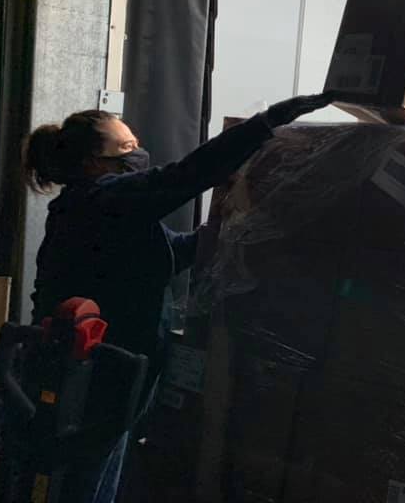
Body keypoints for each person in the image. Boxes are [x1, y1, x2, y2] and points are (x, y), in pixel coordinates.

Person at [20, 93, 334, 503]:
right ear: (93, 164)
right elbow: (188, 175)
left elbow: (174, 252)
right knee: (86, 480)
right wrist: (269, 121)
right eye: (128, 148)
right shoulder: (103, 200)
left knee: (98, 473)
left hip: (110, 371)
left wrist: (240, 221)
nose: (139, 154)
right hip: (95, 375)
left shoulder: (96, 207)